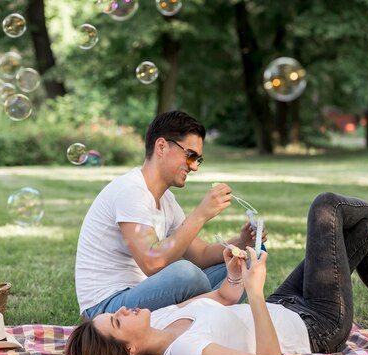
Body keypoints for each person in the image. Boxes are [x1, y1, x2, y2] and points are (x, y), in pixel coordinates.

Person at [65, 193, 368, 355]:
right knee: (326, 208)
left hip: (283, 304)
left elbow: (221, 296)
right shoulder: (185, 353)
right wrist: (253, 294)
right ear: (130, 348)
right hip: (317, 327)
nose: (125, 309)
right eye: (117, 320)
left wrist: (235, 279)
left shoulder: (163, 317)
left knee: (355, 237)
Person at [75, 110, 266, 320]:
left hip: (141, 297)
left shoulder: (166, 200)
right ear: (162, 146)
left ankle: (187, 319)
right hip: (105, 309)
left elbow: (201, 254)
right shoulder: (131, 191)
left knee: (245, 268)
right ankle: (195, 318)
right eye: (190, 155)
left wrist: (241, 242)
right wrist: (201, 214)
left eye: (198, 160)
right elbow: (152, 263)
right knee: (186, 274)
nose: (194, 167)